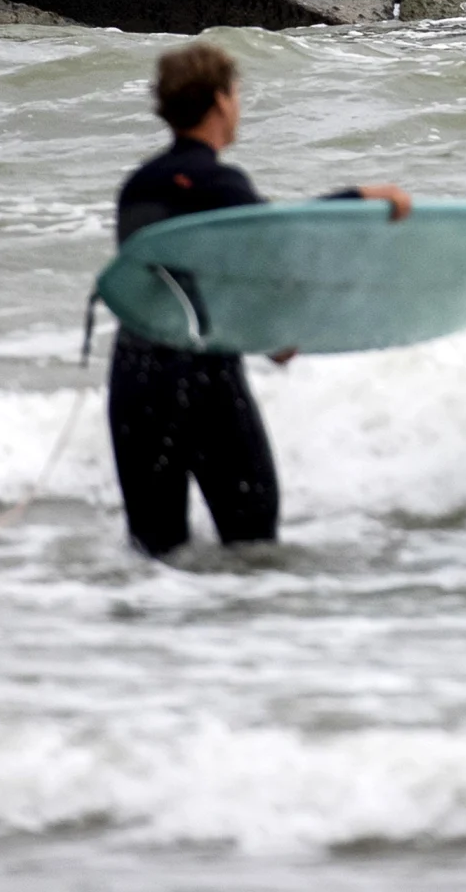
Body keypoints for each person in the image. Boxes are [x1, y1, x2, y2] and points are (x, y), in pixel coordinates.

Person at [108, 41, 415, 560]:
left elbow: (171, 284)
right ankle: (246, 616)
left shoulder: (137, 186)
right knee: (252, 539)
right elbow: (278, 242)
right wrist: (362, 197)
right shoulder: (218, 182)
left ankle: (150, 616)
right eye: (236, 93)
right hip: (199, 374)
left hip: (135, 375)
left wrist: (269, 334)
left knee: (155, 549)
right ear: (220, 101)